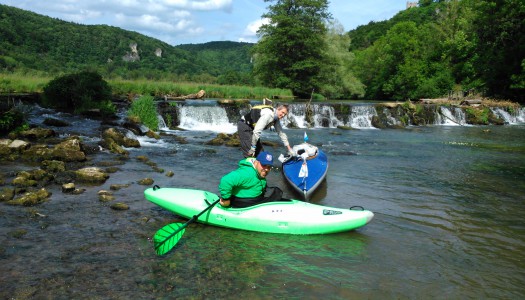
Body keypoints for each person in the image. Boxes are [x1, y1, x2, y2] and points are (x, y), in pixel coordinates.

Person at [218, 151, 283, 208]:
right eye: (264, 165)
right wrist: (226, 200)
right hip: (242, 203)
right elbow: (225, 181)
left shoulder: (258, 171)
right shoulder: (246, 173)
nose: (266, 169)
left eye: (269, 167)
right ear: (256, 162)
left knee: (277, 193)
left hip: (255, 199)